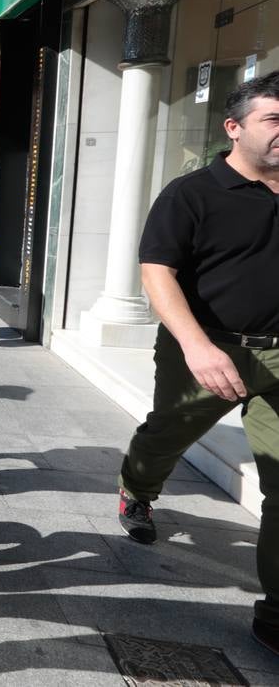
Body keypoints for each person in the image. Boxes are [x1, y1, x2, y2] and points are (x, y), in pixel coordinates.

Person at [119, 76, 279, 656]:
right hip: (208, 346)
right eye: (274, 120)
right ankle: (137, 487)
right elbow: (156, 271)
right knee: (166, 433)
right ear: (234, 128)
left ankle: (277, 615)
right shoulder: (192, 193)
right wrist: (196, 345)